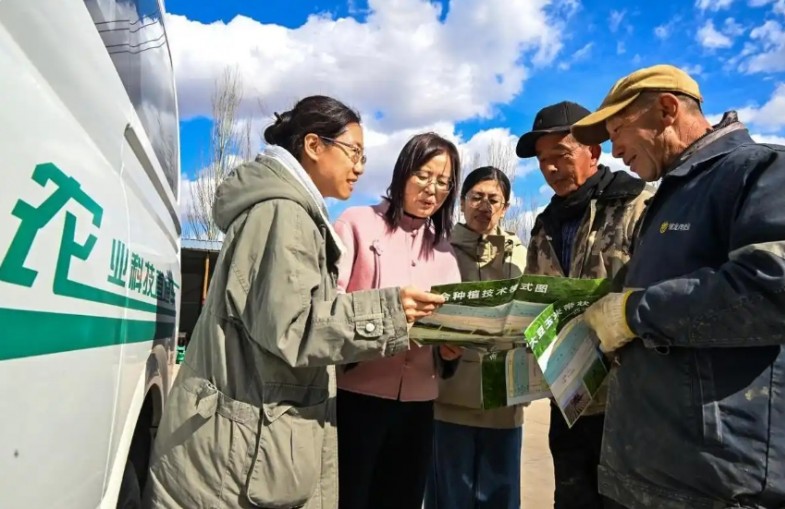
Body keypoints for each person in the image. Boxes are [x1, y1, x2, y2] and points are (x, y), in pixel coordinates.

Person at [143, 96, 445, 509]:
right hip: (241, 446)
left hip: (251, 435)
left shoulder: (291, 211)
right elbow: (293, 326)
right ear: (314, 145)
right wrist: (391, 311)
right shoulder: (283, 213)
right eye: (353, 152)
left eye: (364, 156)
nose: (359, 167)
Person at [574, 64, 785, 508]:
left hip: (725, 485)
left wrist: (634, 313)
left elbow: (783, 288)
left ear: (666, 110)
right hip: (655, 476)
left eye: (618, 130)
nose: (614, 150)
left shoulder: (763, 170)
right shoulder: (670, 197)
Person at [517, 101, 653, 509]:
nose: (550, 168)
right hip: (569, 400)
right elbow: (534, 301)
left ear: (593, 151)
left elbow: (661, 295)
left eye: (561, 155)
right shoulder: (543, 226)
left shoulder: (636, 205)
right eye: (542, 160)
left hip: (631, 404)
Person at [334, 132, 464, 509]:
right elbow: (329, 306)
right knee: (348, 498)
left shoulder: (445, 251)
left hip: (418, 407)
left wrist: (450, 351)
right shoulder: (357, 224)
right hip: (355, 398)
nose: (432, 189)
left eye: (444, 182)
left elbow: (451, 325)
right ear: (402, 172)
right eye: (424, 175)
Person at [425, 166, 528, 509]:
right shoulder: (438, 250)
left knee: (501, 497)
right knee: (448, 499)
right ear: (462, 202)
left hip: (504, 402)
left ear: (506, 206)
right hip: (449, 402)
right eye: (476, 197)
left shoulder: (522, 254)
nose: (484, 206)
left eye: (493, 199)